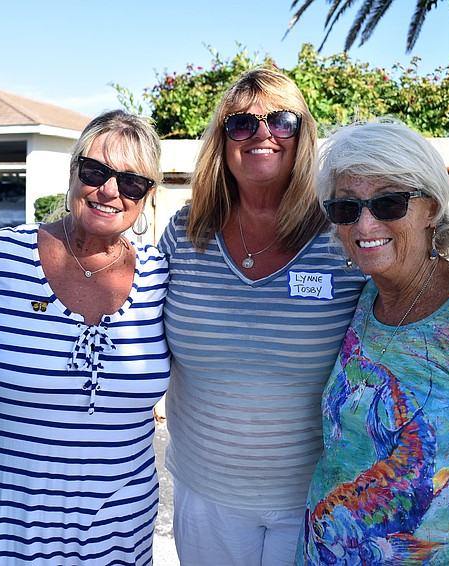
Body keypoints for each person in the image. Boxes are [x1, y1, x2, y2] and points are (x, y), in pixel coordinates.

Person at [299, 119, 449, 565]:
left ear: (431, 208)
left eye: (389, 203)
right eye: (345, 208)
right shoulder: (365, 297)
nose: (364, 223)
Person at [157, 68, 367, 564]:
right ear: (222, 141)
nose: (262, 134)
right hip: (206, 498)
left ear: (303, 134)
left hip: (317, 501)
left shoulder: (340, 235)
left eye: (281, 120)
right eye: (242, 124)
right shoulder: (188, 233)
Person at [0, 110, 170, 565]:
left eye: (132, 182)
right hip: (5, 541)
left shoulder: (161, 276)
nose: (110, 190)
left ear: (147, 197)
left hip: (119, 541)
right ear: (72, 173)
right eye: (95, 171)